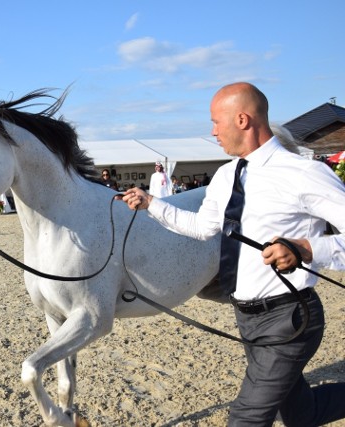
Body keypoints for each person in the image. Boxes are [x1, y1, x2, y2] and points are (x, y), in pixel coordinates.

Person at [122, 82, 345, 426]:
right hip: (247, 316)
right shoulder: (227, 176)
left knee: (246, 417)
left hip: (290, 317)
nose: (212, 132)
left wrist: (308, 248)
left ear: (242, 120)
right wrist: (151, 204)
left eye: (216, 122)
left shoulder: (304, 173)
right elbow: (201, 227)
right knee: (302, 413)